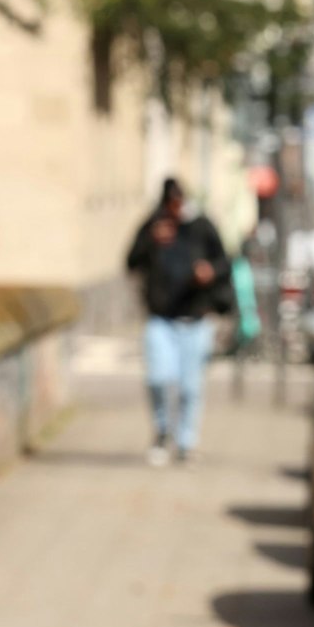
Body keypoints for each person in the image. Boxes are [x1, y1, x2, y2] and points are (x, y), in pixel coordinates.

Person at [125, 178, 229, 466]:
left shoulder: (201, 226)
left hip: (195, 318)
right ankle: (162, 433)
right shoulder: (153, 226)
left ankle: (186, 443)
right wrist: (151, 240)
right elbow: (130, 261)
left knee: (190, 387)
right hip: (161, 318)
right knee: (158, 378)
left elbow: (224, 262)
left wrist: (209, 271)